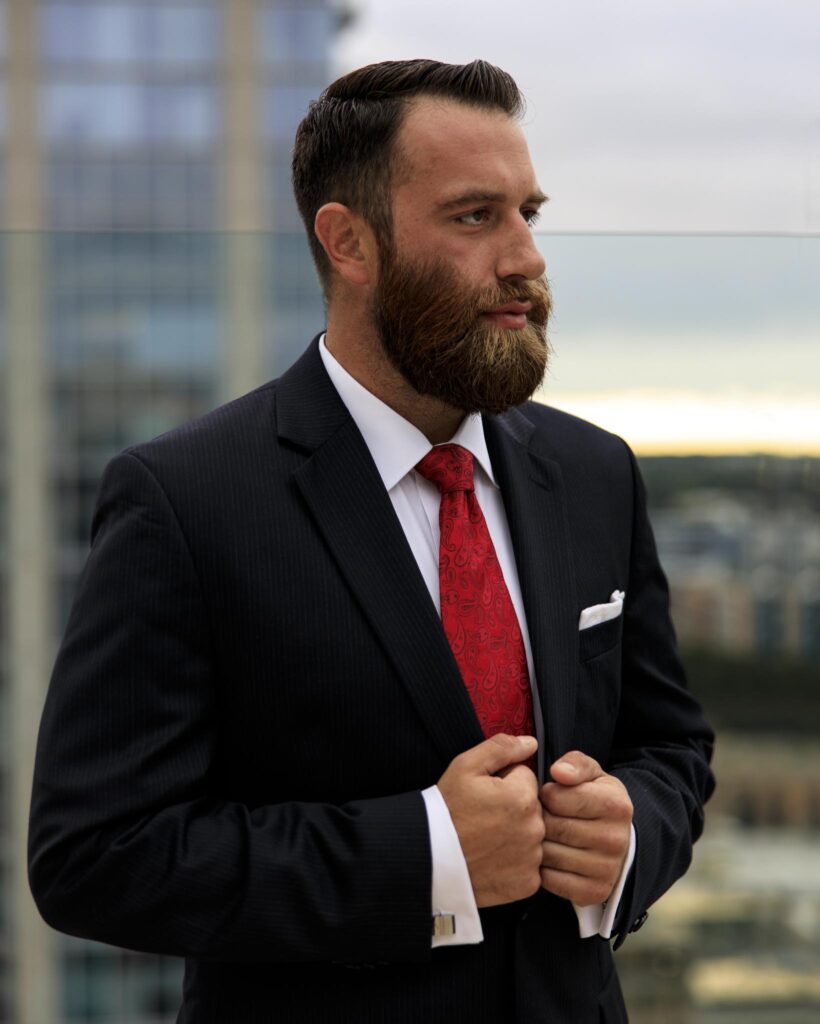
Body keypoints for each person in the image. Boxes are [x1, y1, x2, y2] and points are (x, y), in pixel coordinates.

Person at [29, 59, 714, 1023]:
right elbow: (94, 857)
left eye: (530, 213)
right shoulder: (182, 500)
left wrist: (631, 833)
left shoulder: (595, 471)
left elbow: (671, 743)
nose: (526, 258)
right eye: (476, 217)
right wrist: (428, 854)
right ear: (349, 243)